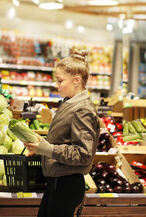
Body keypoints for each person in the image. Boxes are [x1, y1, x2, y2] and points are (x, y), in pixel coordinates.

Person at [24, 49, 100, 217]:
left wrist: (47, 150)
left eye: (60, 81)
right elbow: (62, 142)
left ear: (76, 81)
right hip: (57, 181)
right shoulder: (68, 104)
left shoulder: (83, 110)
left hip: (67, 184)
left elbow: (83, 154)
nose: (56, 85)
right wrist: (39, 147)